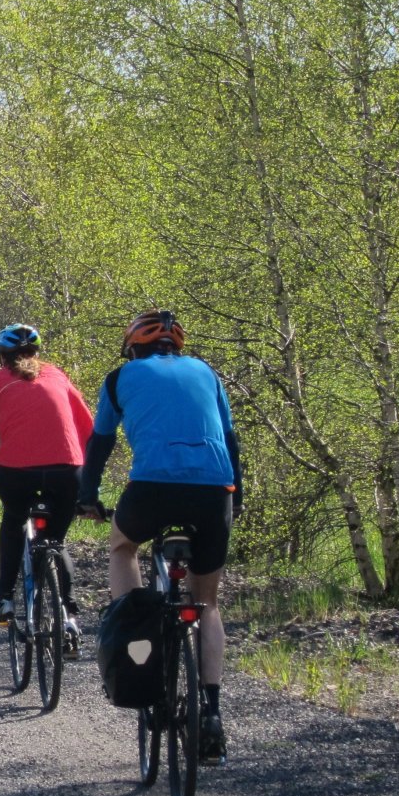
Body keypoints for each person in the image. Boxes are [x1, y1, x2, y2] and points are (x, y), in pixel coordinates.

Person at [77, 309, 243, 765]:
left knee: (122, 545)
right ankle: (211, 713)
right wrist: (237, 498)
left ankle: (129, 617)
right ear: (177, 347)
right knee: (207, 605)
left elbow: (101, 442)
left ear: (134, 347)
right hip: (214, 493)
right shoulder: (207, 373)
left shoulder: (120, 378)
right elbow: (230, 441)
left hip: (151, 490)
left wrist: (87, 496)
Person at [0, 323, 95, 633]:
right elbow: (87, 426)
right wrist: (89, 475)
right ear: (36, 353)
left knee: (13, 523)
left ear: (2, 358)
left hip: (16, 474)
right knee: (56, 543)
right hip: (66, 472)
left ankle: (6, 598)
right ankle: (70, 616)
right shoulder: (58, 376)